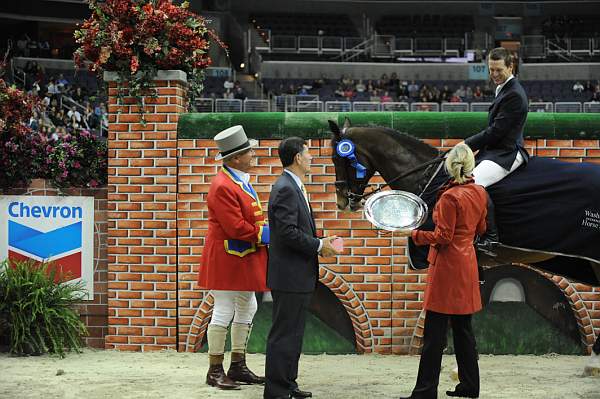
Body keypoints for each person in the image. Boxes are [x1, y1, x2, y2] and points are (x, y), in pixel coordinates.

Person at [397, 143, 487, 399]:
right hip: (467, 265)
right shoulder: (479, 192)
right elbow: (481, 228)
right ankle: (470, 386)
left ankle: (425, 391)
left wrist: (412, 234)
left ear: (449, 166)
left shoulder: (449, 196)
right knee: (463, 331)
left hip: (447, 267)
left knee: (434, 335)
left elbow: (443, 236)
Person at [264, 137, 340, 399]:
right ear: (297, 157)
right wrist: (319, 245)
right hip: (289, 275)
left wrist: (319, 244)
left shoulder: (293, 185)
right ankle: (276, 390)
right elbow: (287, 233)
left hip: (297, 274)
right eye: (308, 153)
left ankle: (288, 384)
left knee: (293, 333)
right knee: (284, 334)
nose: (311, 158)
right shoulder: (286, 187)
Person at [198, 125, 270, 390]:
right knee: (224, 309)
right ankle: (214, 369)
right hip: (227, 256)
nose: (253, 155)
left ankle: (237, 365)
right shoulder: (222, 185)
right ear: (236, 157)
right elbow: (236, 227)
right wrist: (265, 234)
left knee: (248, 307)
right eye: (249, 151)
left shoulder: (236, 179)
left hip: (239, 254)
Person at [460, 47, 529, 252]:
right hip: (497, 149)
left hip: (508, 152)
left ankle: (491, 238)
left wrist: (466, 145)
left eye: (499, 70)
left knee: (472, 184)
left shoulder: (514, 94)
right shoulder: (504, 89)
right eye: (491, 70)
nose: (495, 75)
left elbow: (496, 132)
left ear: (510, 66)